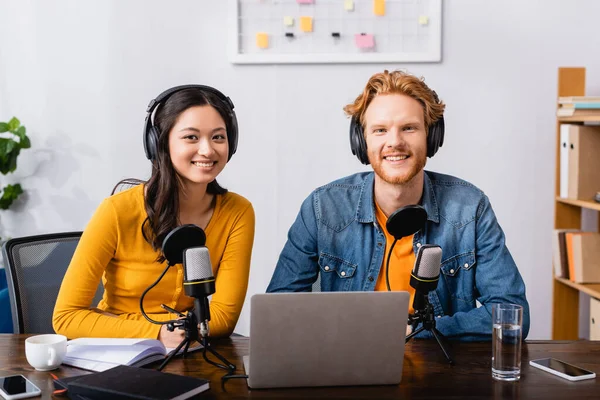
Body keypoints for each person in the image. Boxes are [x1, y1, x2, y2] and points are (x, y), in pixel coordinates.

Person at [267, 70, 529, 341]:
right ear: (361, 141)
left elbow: (511, 314)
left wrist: (421, 332)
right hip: (349, 366)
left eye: (409, 128)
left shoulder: (470, 208)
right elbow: (277, 311)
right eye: (380, 130)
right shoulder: (322, 208)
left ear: (432, 137)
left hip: (439, 372)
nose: (394, 142)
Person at [53, 85, 255, 347]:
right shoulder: (116, 211)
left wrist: (177, 333)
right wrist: (158, 332)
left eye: (218, 137)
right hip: (118, 352)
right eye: (191, 137)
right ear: (159, 142)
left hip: (187, 353)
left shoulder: (237, 213)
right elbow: (66, 317)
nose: (207, 150)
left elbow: (223, 318)